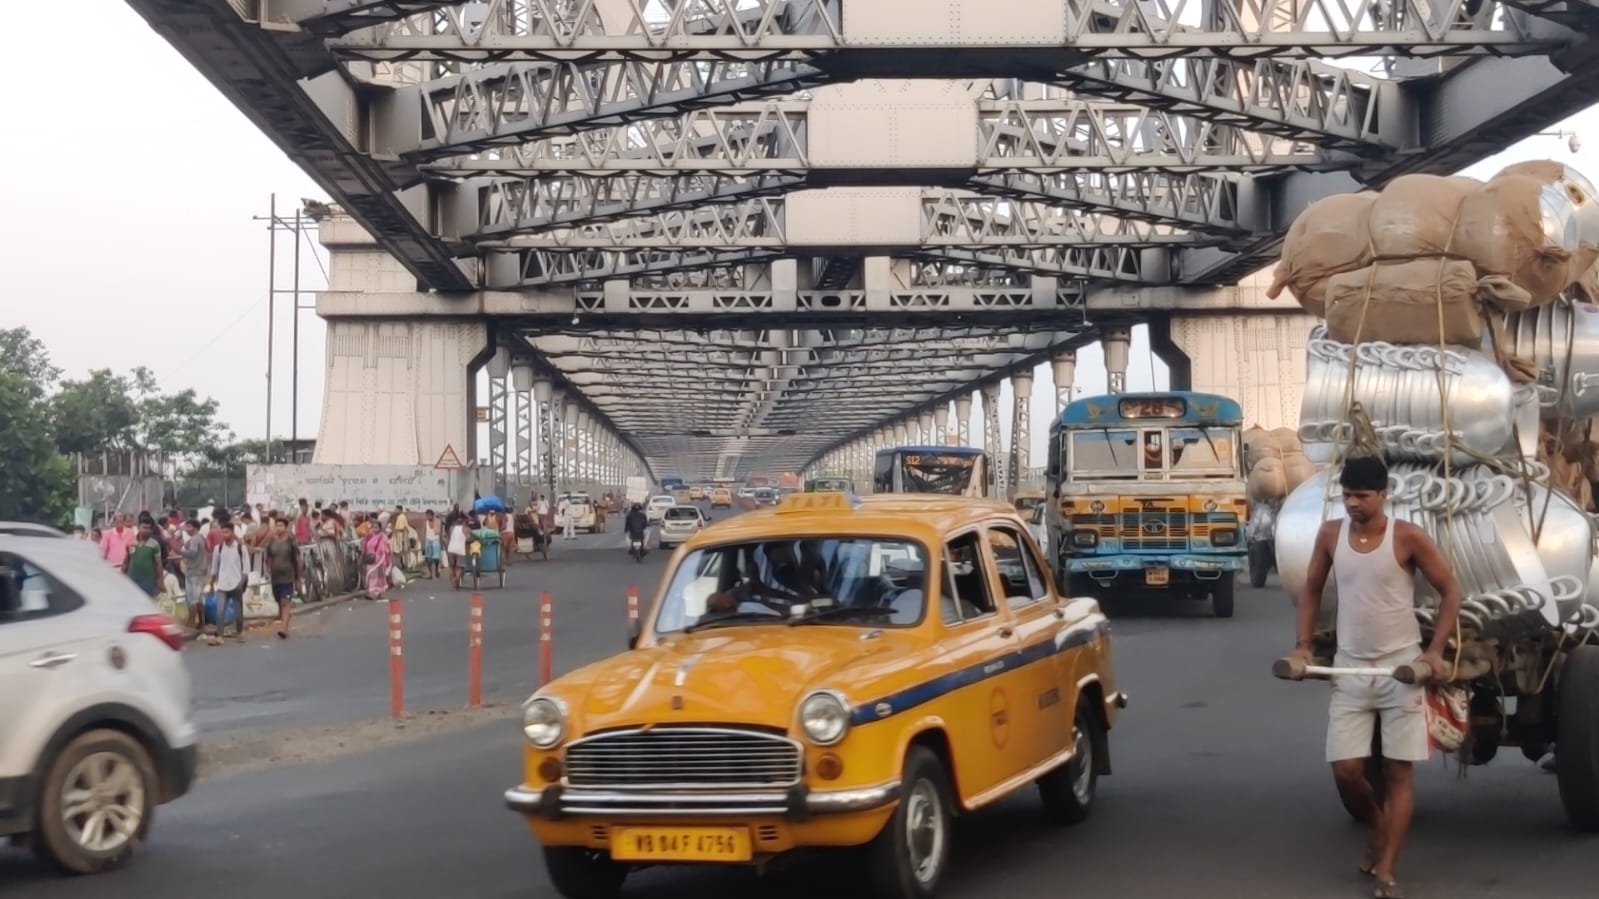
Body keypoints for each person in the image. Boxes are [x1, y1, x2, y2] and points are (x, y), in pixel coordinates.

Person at [1287, 455, 1462, 899]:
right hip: (1349, 667)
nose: (1353, 504)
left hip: (1401, 669)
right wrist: (1303, 645)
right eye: (1347, 495)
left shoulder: (1408, 538)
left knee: (1397, 772)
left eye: (1362, 496)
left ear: (1384, 495)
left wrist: (1434, 649)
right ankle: (1381, 826)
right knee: (1346, 770)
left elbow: (1450, 590)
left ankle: (1386, 870)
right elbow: (1311, 588)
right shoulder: (1330, 535)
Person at [206, 522, 250, 645]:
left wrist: (241, 583)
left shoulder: (241, 548)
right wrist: (211, 585)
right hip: (222, 585)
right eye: (223, 532)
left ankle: (240, 632)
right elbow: (214, 568)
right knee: (220, 611)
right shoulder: (218, 549)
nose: (224, 535)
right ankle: (219, 635)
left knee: (238, 612)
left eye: (227, 532)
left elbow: (246, 569)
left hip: (236, 584)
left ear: (232, 532)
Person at [263, 516, 303, 639]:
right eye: (277, 525)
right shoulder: (271, 541)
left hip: (288, 576)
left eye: (281, 525)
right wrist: (267, 570)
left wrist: (298, 578)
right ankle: (283, 622)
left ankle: (284, 629)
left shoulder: (291, 540)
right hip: (276, 577)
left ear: (285, 527)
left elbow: (297, 559)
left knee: (285, 601)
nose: (278, 528)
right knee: (279, 601)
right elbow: (268, 558)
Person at [123, 520, 164, 597]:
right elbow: (126, 561)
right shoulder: (131, 542)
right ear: (138, 528)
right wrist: (121, 576)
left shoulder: (154, 544)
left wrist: (160, 580)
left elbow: (158, 564)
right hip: (131, 579)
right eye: (144, 527)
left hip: (147, 580)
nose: (147, 530)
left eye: (149, 528)